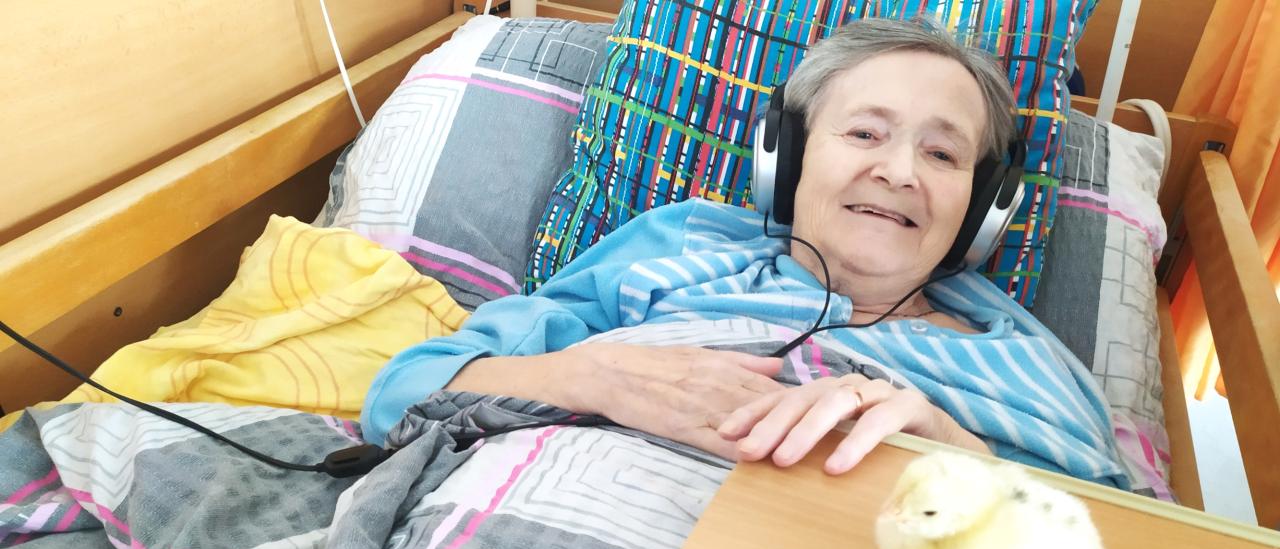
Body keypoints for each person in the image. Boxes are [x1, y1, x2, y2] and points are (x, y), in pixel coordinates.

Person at [361, 17, 1130, 488]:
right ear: (785, 158)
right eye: (865, 132)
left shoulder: (1024, 366)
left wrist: (960, 453)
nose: (899, 171)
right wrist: (594, 376)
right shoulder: (678, 245)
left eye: (942, 154)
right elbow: (401, 393)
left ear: (984, 207)